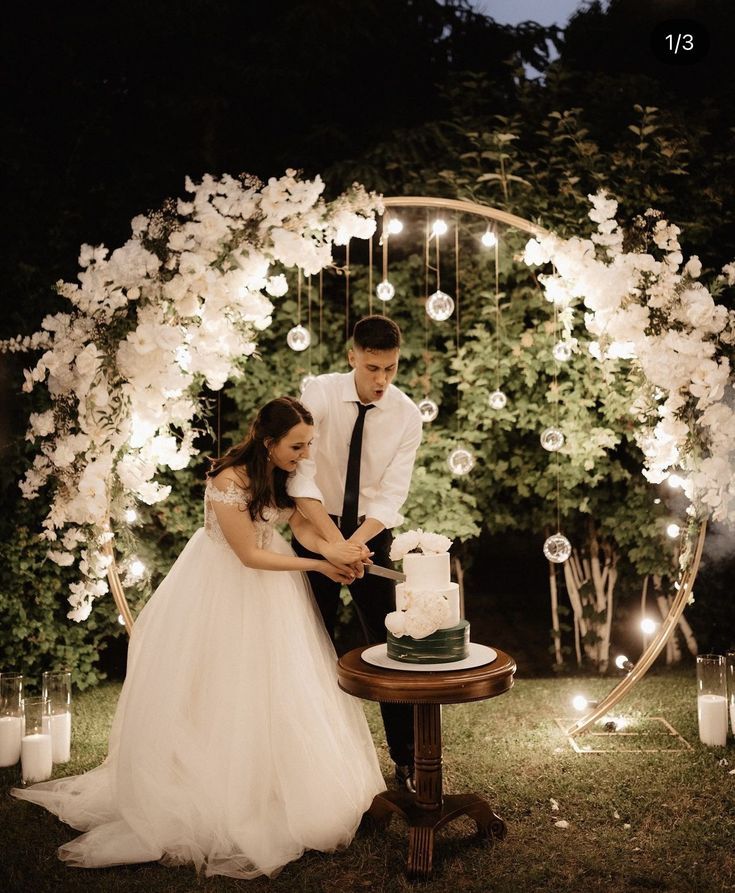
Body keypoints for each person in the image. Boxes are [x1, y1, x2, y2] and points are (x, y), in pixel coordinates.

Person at [12, 397, 386, 880]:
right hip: (224, 587)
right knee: (220, 685)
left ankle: (276, 782)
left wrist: (333, 550)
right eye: (297, 445)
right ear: (269, 442)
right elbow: (249, 554)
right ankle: (214, 786)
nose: (304, 454)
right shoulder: (228, 480)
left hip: (273, 593)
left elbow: (299, 527)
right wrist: (318, 564)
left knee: (279, 685)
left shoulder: (285, 473)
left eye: (308, 445)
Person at [289, 315, 423, 793]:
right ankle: (305, 759)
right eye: (372, 368)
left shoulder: (407, 415)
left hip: (370, 536)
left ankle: (405, 762)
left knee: (392, 649)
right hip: (312, 530)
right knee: (306, 643)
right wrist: (330, 544)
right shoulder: (319, 392)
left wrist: (355, 545)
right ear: (352, 357)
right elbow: (299, 472)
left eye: (390, 368)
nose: (382, 380)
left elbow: (391, 496)